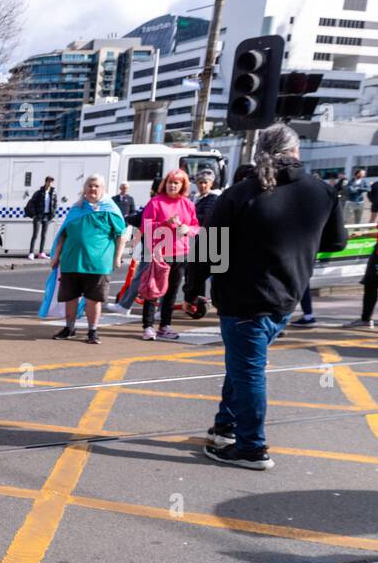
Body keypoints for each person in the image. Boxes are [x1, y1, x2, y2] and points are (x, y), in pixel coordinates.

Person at [204, 124, 346, 470]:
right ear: (295, 151)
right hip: (287, 296)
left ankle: (252, 447)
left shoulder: (239, 194)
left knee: (249, 370)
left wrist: (196, 291)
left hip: (242, 298)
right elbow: (336, 242)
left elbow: (211, 250)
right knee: (243, 363)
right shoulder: (322, 192)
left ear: (259, 153)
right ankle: (227, 425)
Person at [49, 174, 127, 346]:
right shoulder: (76, 209)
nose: (93, 189)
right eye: (90, 185)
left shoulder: (110, 210)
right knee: (71, 298)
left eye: (96, 186)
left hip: (98, 264)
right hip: (71, 262)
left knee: (94, 299)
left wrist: (117, 257)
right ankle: (69, 328)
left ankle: (93, 331)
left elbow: (121, 235)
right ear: (84, 189)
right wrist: (55, 256)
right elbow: (63, 233)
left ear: (103, 189)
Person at [138, 169, 197, 341]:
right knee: (153, 290)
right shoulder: (155, 202)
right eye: (170, 182)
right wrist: (166, 223)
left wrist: (188, 229)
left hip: (180, 253)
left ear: (183, 185)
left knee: (172, 291)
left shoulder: (188, 204)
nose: (172, 185)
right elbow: (146, 227)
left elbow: (195, 226)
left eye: (176, 183)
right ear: (165, 183)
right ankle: (148, 326)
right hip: (159, 253)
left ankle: (165, 326)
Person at [181, 169, 219, 317]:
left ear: (211, 183)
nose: (203, 185)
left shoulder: (213, 198)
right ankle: (198, 305)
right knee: (195, 276)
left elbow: (205, 217)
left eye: (206, 182)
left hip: (210, 240)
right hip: (195, 239)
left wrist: (189, 219)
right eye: (200, 182)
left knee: (209, 275)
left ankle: (211, 304)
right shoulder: (195, 198)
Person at [25, 175, 57, 260]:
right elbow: (32, 203)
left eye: (51, 181)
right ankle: (31, 253)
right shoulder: (39, 192)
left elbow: (55, 204)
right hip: (38, 216)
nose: (50, 183)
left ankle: (41, 253)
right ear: (45, 182)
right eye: (49, 181)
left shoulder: (53, 193)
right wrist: (34, 214)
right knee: (35, 235)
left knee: (44, 235)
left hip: (47, 216)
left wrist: (52, 214)